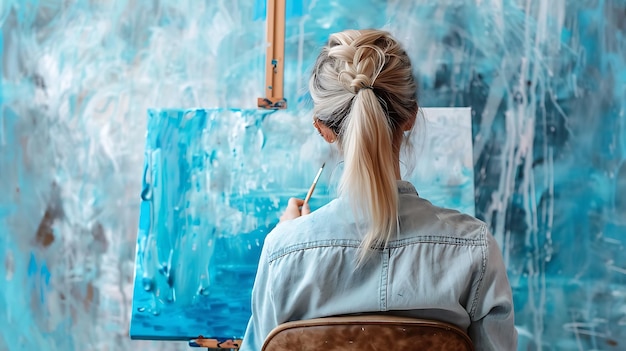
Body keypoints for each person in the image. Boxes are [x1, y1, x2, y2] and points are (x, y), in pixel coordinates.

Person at [240, 29, 517, 351]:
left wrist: (290, 238)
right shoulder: (474, 248)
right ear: (411, 116)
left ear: (323, 128)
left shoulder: (283, 251)